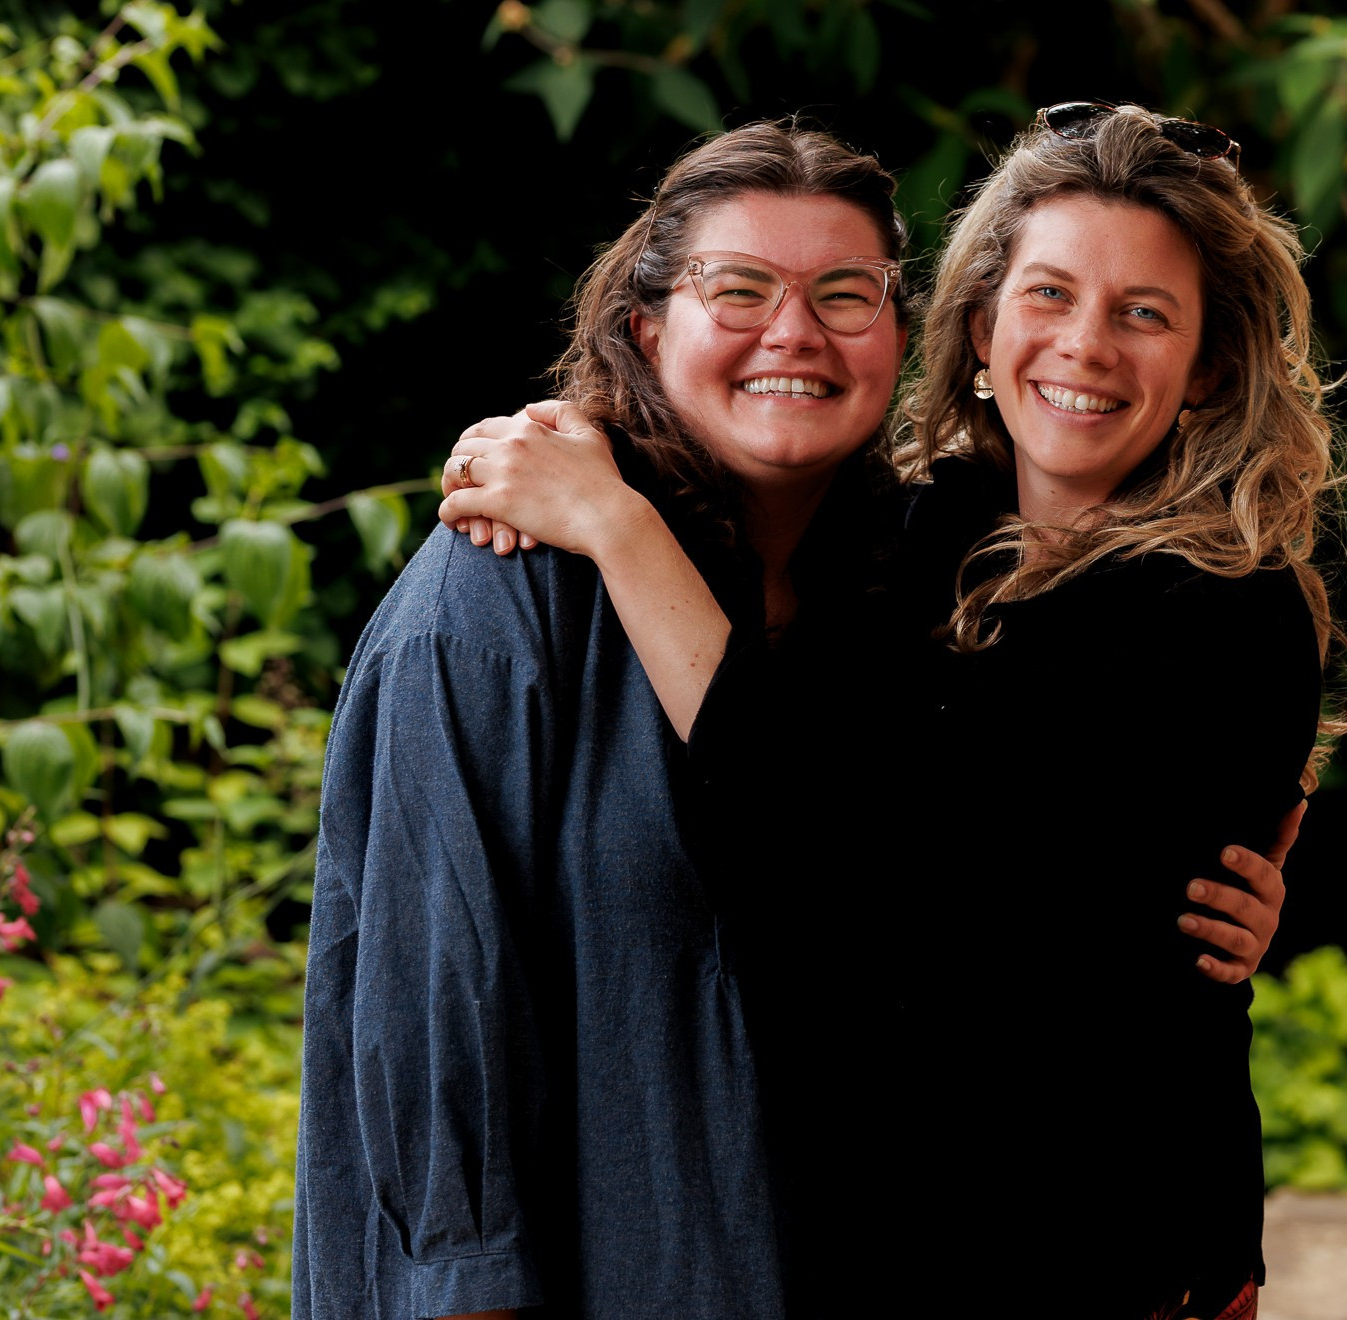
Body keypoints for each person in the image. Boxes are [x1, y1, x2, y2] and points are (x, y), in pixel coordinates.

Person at [299, 120, 1295, 1320]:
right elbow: (427, 1017)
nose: (794, 332)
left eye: (842, 293)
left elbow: (843, 867)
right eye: (741, 288)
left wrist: (620, 529)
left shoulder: (1202, 602)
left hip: (1075, 1262)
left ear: (1208, 369)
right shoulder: (902, 548)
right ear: (980, 330)